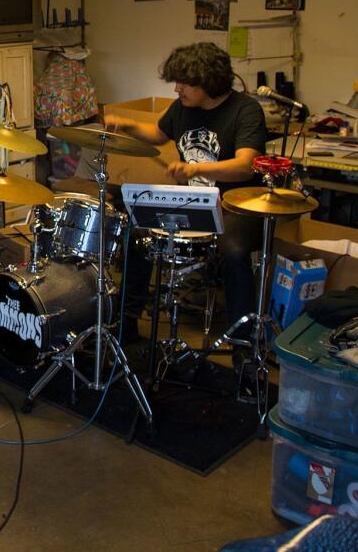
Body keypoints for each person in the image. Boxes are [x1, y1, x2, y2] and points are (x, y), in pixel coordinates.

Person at [102, 42, 265, 349]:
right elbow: (158, 134)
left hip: (237, 205)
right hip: (194, 202)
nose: (176, 89)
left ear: (208, 81)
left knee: (233, 251)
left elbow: (245, 167)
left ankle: (242, 344)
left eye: (184, 83)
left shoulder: (245, 111)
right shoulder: (183, 107)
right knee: (138, 235)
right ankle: (126, 324)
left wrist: (194, 169)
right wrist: (126, 124)